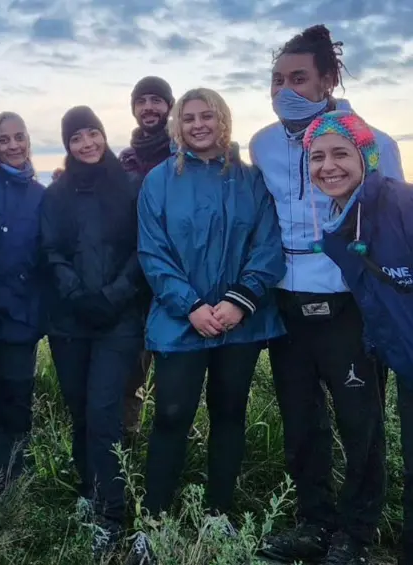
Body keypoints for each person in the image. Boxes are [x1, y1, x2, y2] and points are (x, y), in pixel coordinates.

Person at [251, 24, 404, 564]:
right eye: (276, 79)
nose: (284, 89)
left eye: (298, 78)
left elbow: (387, 227)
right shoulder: (263, 143)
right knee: (300, 418)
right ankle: (313, 523)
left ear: (328, 79)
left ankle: (357, 533)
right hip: (287, 302)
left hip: (348, 304)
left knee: (359, 420)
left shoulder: (374, 141)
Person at [134, 88, 285, 560]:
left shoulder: (250, 179)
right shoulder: (158, 180)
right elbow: (152, 250)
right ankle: (153, 520)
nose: (199, 124)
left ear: (224, 120)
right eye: (190, 117)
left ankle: (218, 515)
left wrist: (240, 302)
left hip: (239, 321)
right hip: (181, 320)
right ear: (178, 124)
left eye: (208, 116)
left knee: (228, 415)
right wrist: (191, 305)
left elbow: (268, 243)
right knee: (171, 415)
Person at [302, 111, 413, 565]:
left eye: (340, 153)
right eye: (317, 156)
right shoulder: (343, 221)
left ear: (366, 157)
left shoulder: (400, 204)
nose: (328, 166)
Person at [41, 106, 146, 557]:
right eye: (77, 138)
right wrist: (79, 297)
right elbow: (51, 251)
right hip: (69, 321)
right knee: (80, 410)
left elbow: (143, 250)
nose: (87, 144)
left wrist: (113, 297)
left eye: (93, 134)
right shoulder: (56, 194)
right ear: (67, 145)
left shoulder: (130, 187)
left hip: (119, 321)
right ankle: (88, 489)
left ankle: (112, 512)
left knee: (106, 413)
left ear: (104, 135)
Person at [0, 112, 45, 499]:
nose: (13, 145)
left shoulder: (41, 195)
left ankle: (8, 476)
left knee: (15, 398)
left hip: (20, 315)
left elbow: (47, 257)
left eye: (19, 137)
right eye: (4, 139)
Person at [117, 75, 176, 439]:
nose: (149, 108)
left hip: (173, 277)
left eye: (156, 100)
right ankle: (128, 441)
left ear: (169, 107)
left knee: (174, 371)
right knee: (130, 369)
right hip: (134, 280)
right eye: (142, 101)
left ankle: (171, 440)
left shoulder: (182, 153)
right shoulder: (125, 160)